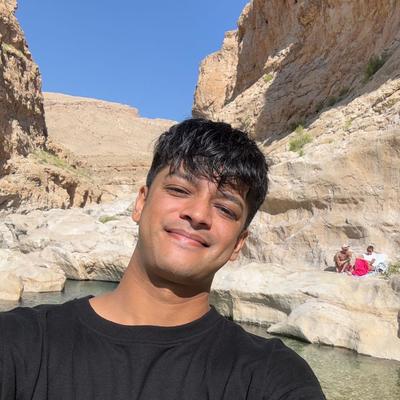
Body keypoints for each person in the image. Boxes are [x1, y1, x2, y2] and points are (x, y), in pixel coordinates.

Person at [0, 119, 325, 399]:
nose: (198, 214)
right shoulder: (18, 342)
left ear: (239, 243)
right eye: (180, 190)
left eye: (225, 209)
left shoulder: (273, 377)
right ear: (140, 204)